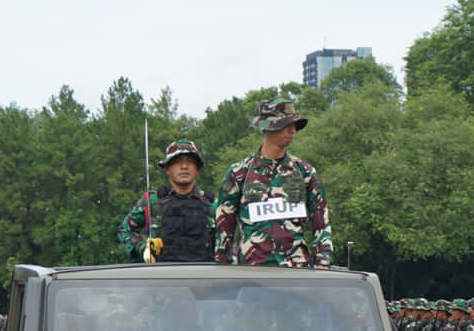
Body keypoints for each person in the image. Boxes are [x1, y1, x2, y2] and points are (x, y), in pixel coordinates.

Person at [213, 100, 333, 268]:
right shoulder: (239, 173)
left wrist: (323, 260)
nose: (292, 130)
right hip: (252, 272)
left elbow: (321, 219)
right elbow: (224, 226)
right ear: (266, 128)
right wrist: (222, 267)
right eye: (285, 125)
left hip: (296, 271)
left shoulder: (305, 172)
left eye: (294, 125)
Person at [118, 139, 215, 263]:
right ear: (167, 169)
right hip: (161, 276)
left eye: (190, 162)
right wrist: (143, 249)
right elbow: (124, 230)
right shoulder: (152, 201)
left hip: (204, 277)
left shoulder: (212, 204)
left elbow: (228, 240)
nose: (184, 167)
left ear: (197, 169)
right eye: (178, 162)